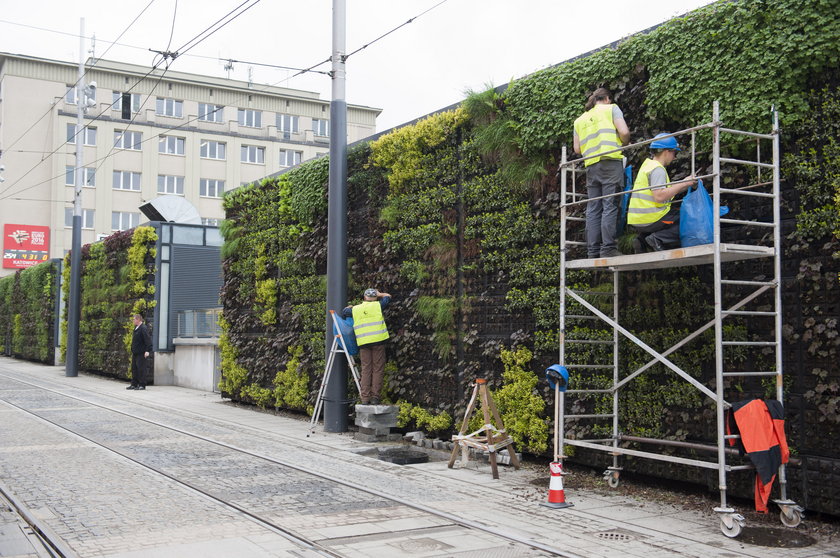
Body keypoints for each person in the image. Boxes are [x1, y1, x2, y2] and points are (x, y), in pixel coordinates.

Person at [573, 87, 631, 258]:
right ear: (607, 98)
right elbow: (624, 132)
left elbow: (577, 149)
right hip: (610, 161)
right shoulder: (612, 108)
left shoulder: (580, 120)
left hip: (591, 166)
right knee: (610, 205)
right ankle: (608, 249)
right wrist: (625, 142)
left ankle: (592, 251)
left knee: (594, 208)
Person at [627, 133, 697, 252]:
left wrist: (685, 183)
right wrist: (685, 183)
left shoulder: (647, 166)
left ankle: (642, 240)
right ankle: (658, 239)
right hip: (651, 218)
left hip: (637, 220)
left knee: (672, 217)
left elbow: (665, 191)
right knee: (688, 218)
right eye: (674, 153)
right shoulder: (657, 169)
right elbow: (660, 196)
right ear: (667, 151)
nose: (674, 157)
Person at [342, 288, 391, 405]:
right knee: (378, 369)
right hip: (378, 341)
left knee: (366, 369)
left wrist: (349, 307)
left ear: (364, 298)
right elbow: (388, 297)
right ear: (375, 298)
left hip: (363, 343)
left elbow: (344, 312)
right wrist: (380, 294)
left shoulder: (356, 309)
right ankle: (375, 397)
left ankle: (364, 398)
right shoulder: (378, 306)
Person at [127, 313, 152, 390]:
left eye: (134, 319)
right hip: (135, 352)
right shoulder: (136, 328)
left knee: (141, 369)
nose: (133, 321)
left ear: (138, 319)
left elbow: (148, 340)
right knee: (134, 368)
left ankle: (142, 384)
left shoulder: (143, 328)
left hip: (141, 352)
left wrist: (147, 350)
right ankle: (134, 384)